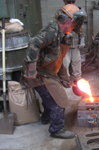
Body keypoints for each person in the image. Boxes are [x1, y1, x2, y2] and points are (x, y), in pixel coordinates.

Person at [20, 4, 87, 139]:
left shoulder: (61, 35)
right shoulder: (51, 32)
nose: (74, 27)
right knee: (58, 102)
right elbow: (34, 43)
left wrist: (64, 77)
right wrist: (31, 71)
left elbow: (59, 59)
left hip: (48, 73)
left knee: (48, 98)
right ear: (68, 22)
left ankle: (46, 117)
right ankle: (57, 129)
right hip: (39, 75)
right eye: (74, 24)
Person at [62, 0, 85, 83]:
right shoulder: (62, 14)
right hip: (65, 44)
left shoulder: (77, 13)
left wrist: (82, 40)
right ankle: (66, 79)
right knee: (65, 63)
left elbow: (81, 28)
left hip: (75, 43)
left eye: (73, 2)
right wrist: (66, 34)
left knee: (77, 61)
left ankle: (77, 78)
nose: (72, 3)